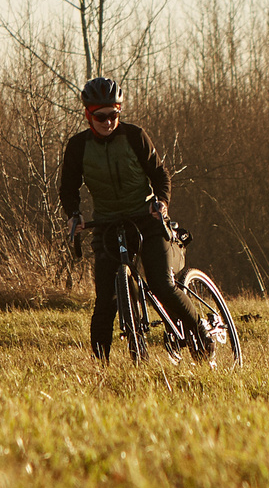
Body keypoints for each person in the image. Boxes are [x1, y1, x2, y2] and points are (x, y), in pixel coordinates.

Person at [59, 77, 205, 359]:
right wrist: (73, 215)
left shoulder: (135, 136)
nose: (108, 122)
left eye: (114, 115)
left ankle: (201, 334)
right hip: (108, 224)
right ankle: (100, 367)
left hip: (146, 220)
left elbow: (160, 175)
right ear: (88, 115)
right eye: (100, 116)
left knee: (162, 285)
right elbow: (68, 188)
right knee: (105, 302)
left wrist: (161, 203)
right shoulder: (78, 146)